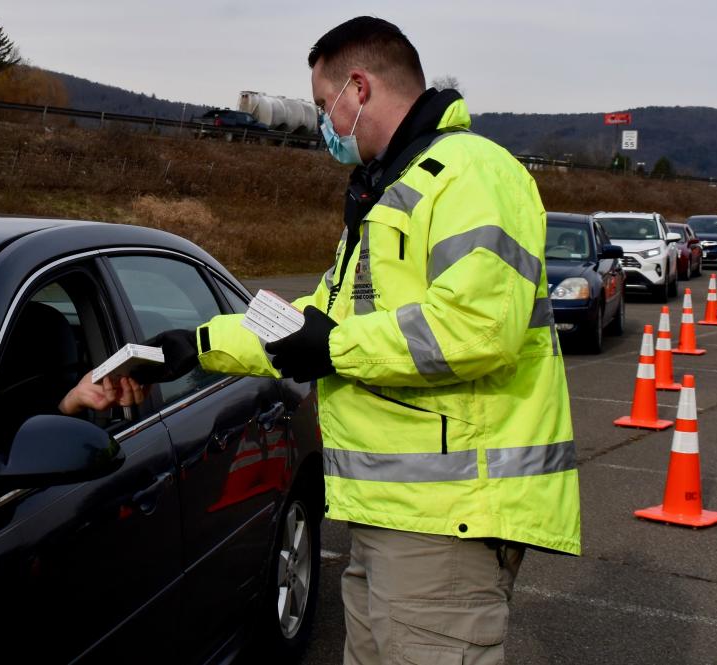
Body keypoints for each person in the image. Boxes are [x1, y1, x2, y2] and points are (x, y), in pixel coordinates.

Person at [143, 17, 580, 664]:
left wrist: (334, 346)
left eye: (324, 106)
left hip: (443, 526)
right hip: (386, 518)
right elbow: (306, 324)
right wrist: (195, 343)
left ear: (358, 88)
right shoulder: (388, 194)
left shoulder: (472, 173)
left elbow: (477, 328)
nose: (323, 123)